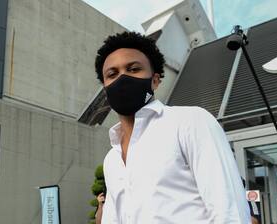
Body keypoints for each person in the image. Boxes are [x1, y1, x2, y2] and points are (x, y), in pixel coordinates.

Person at [95, 31, 251, 223]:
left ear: (155, 80)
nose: (123, 78)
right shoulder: (112, 159)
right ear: (105, 88)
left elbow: (229, 211)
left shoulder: (191, 122)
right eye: (112, 74)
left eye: (133, 69)